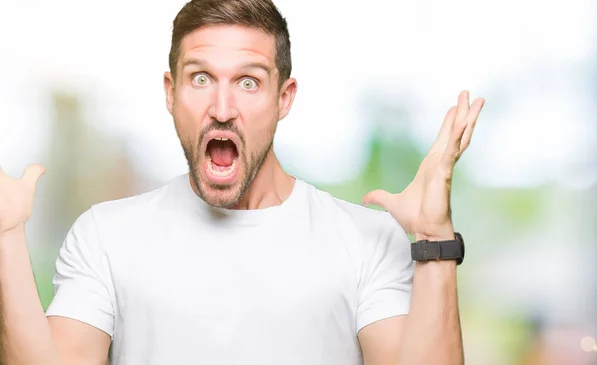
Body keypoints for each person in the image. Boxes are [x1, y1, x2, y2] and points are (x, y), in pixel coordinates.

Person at [0, 0, 485, 364]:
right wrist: (5, 236)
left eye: (249, 82)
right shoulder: (106, 236)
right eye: (201, 78)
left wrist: (435, 242)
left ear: (284, 98)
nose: (224, 108)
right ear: (171, 93)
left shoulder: (364, 239)